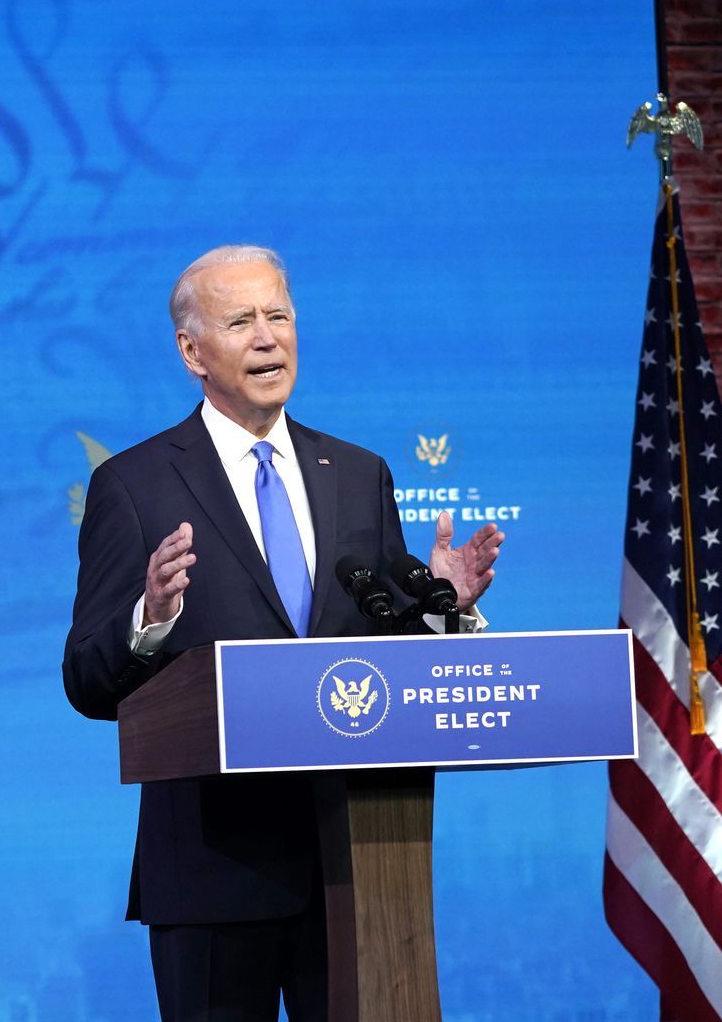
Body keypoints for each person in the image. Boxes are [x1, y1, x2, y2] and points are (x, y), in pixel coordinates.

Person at [61, 245, 505, 1021]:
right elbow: (87, 681)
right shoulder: (134, 486)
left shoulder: (358, 472)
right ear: (192, 352)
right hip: (211, 869)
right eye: (241, 321)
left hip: (361, 864)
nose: (269, 337)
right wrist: (149, 618)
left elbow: (385, 639)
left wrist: (442, 608)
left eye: (279, 315)